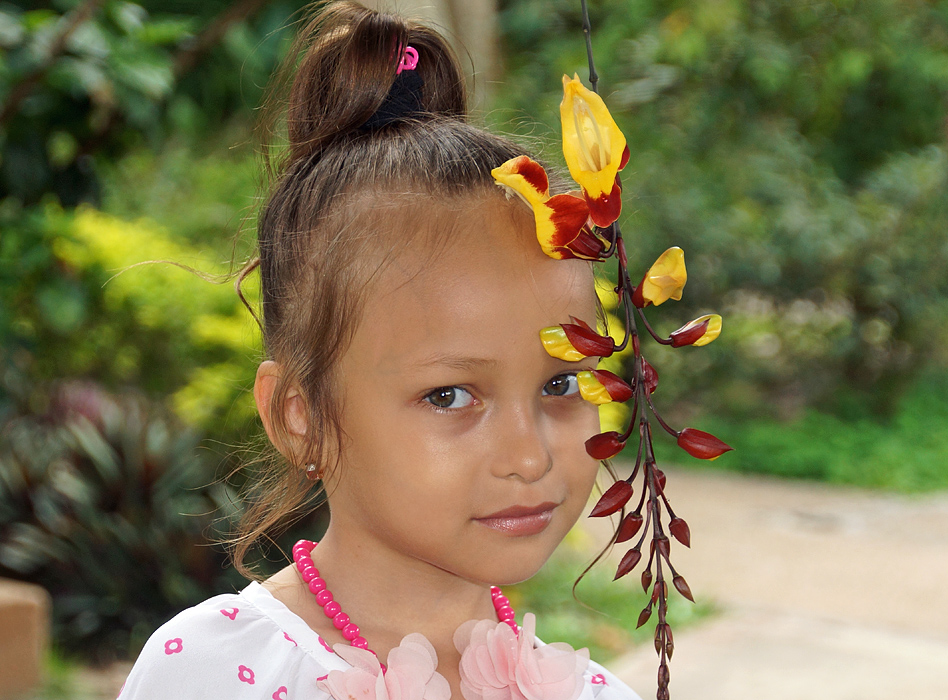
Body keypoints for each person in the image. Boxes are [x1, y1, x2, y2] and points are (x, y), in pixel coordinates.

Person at [118, 3, 641, 699]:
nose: (529, 456)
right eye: (449, 395)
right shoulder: (216, 674)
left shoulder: (593, 693)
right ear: (301, 417)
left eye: (561, 386)